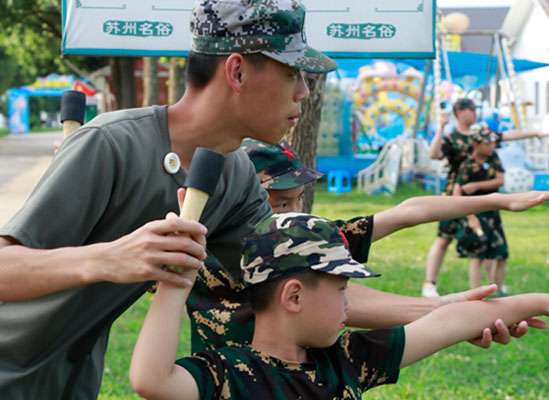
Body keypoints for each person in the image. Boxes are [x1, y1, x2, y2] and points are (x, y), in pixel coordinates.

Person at [0, 0, 337, 397]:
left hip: (69, 382)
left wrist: (427, 315)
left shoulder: (235, 174)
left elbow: (297, 282)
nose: (304, 91)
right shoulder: (110, 143)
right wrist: (109, 258)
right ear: (238, 71)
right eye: (291, 72)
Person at [129, 212, 549, 399]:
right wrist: (176, 281)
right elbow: (150, 380)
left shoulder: (346, 358)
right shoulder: (224, 373)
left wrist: (547, 302)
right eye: (340, 289)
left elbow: (451, 321)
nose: (348, 302)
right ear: (293, 296)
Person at [185, 138, 549, 353]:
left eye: (298, 199)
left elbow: (407, 211)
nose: (295, 211)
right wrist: (441, 310)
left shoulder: (307, 238)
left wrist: (500, 200)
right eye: (280, 202)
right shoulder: (206, 262)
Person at [423, 98, 549, 297]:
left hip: (481, 199)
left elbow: (508, 135)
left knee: (489, 244)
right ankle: (429, 284)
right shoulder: (452, 138)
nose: (474, 113)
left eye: (475, 109)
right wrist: (440, 127)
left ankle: (492, 286)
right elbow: (434, 154)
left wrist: (534, 133)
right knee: (444, 239)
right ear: (459, 112)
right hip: (454, 196)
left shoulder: (481, 135)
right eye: (471, 109)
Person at [453, 125, 508, 293]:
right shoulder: (467, 165)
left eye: (492, 143)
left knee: (500, 253)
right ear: (477, 144)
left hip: (493, 213)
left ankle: (498, 290)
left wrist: (477, 185)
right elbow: (457, 192)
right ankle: (475, 292)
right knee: (477, 256)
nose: (492, 146)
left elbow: (500, 180)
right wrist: (470, 218)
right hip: (476, 215)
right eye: (487, 143)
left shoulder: (493, 158)